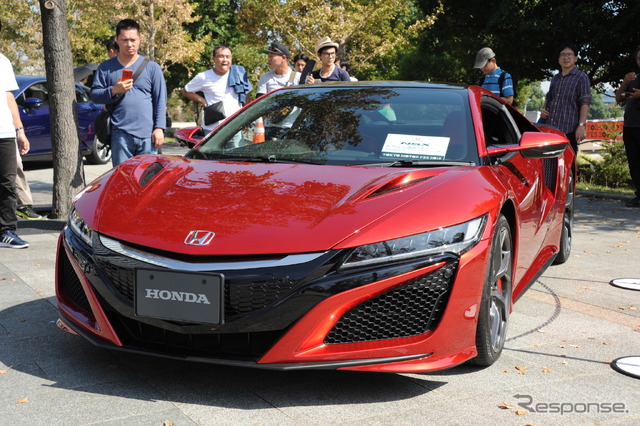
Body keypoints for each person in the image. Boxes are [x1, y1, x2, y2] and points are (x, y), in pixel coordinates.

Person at [91, 19, 167, 167]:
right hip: (120, 133)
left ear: (139, 40)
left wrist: (159, 128)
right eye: (125, 40)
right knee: (123, 179)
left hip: (148, 135)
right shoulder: (106, 67)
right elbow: (94, 95)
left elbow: (160, 100)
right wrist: (114, 90)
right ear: (117, 40)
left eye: (133, 40)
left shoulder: (152, 68)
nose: (129, 44)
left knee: (147, 181)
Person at [182, 45, 252, 134]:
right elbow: (186, 91)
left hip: (235, 128)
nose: (225, 60)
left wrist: (246, 119)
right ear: (214, 58)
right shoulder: (204, 76)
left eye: (228, 57)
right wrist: (203, 102)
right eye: (221, 56)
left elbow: (247, 96)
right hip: (212, 130)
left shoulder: (239, 74)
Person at [1, 47, 30, 248]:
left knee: (7, 183)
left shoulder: (3, 61)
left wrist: (19, 130)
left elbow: (9, 98)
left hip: (4, 131)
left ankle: (6, 231)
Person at [540, 43, 591, 153]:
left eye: (569, 55)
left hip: (569, 130)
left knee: (568, 165)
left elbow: (585, 102)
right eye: (562, 55)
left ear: (576, 58)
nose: (566, 58)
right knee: (550, 164)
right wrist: (544, 110)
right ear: (558, 59)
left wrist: (581, 126)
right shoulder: (555, 78)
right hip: (551, 129)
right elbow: (549, 98)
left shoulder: (581, 77)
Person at [615, 45, 640, 207]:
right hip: (630, 125)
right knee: (634, 161)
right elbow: (619, 98)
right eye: (638, 58)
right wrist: (624, 83)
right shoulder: (635, 77)